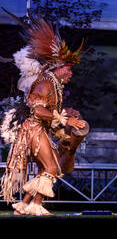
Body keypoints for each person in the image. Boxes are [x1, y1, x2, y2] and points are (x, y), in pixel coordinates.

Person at [0, 12, 86, 215]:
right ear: (59, 67)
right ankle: (36, 206)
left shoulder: (54, 85)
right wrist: (63, 118)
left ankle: (23, 205)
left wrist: (65, 112)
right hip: (33, 129)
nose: (71, 74)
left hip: (39, 129)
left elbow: (48, 109)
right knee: (53, 167)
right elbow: (37, 109)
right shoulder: (46, 83)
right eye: (69, 69)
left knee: (49, 167)